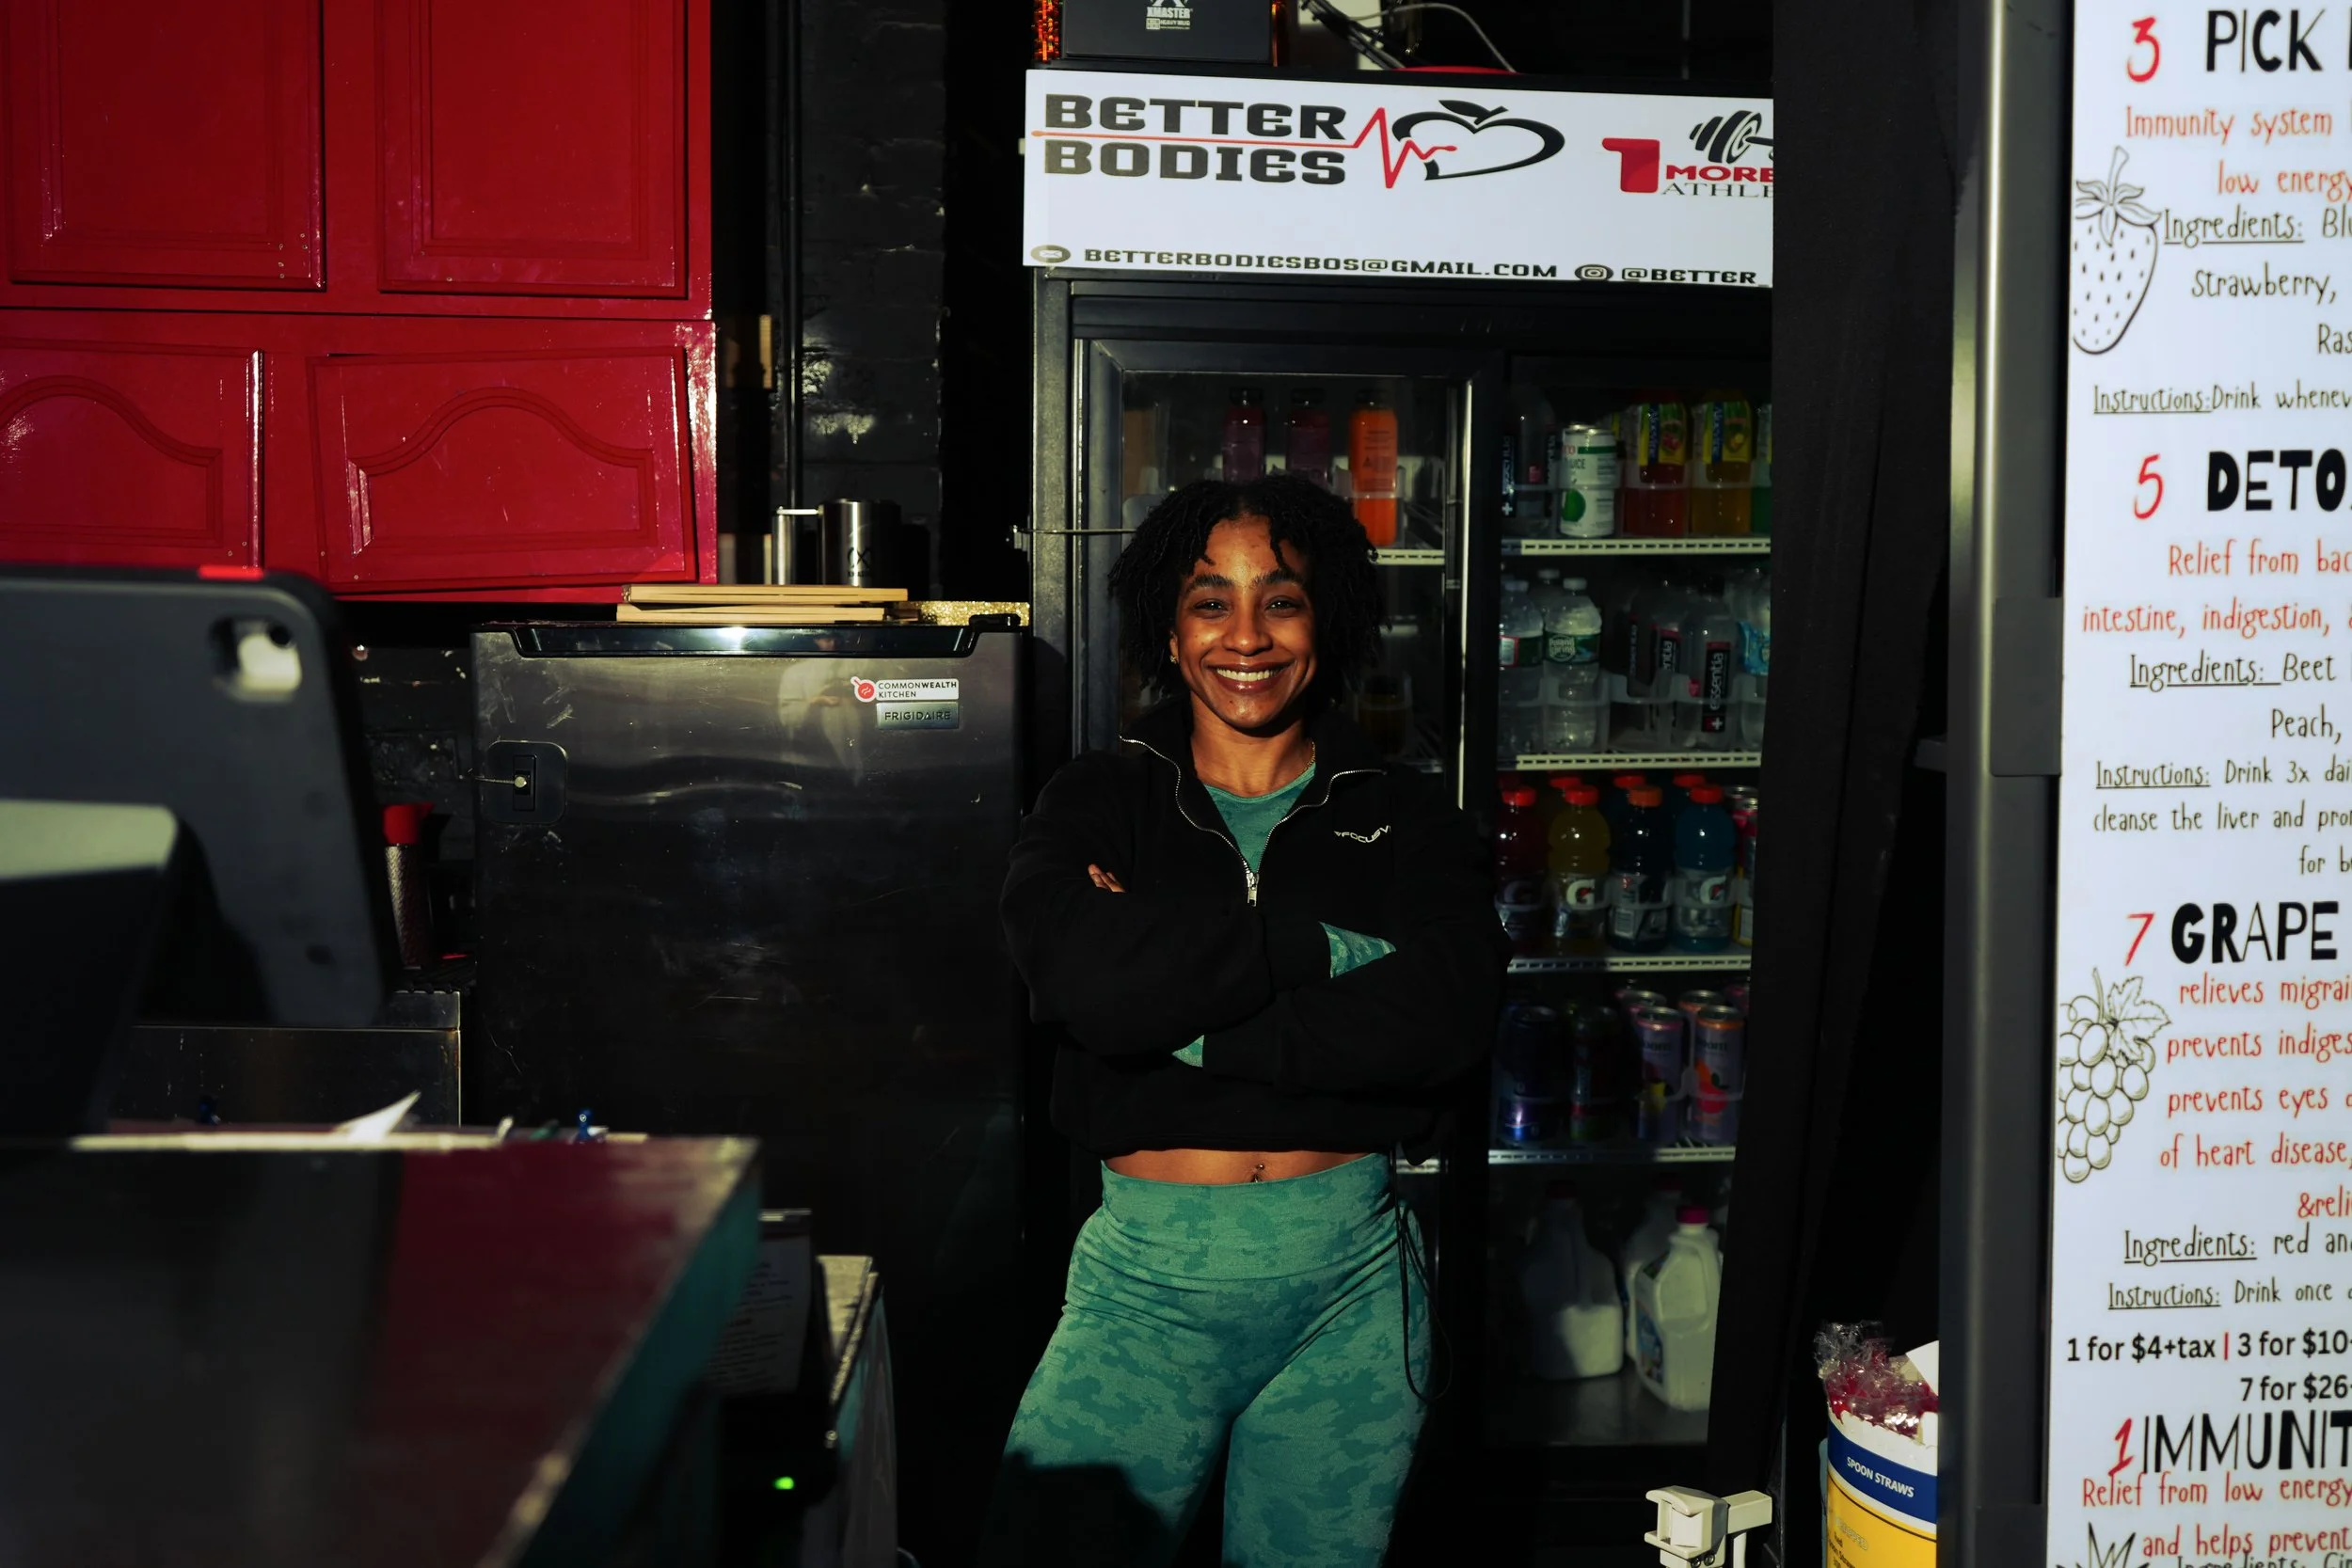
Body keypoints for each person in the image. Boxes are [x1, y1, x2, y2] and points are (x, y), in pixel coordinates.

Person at [981, 472, 1506, 1567]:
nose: (1246, 635)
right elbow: (1077, 977)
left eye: (1282, 599)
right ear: (1169, 637)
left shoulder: (1403, 812)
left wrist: (1179, 1012)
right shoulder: (1099, 796)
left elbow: (1444, 1017)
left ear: (1328, 623)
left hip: (1356, 1288)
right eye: (1209, 601)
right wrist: (1315, 948)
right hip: (1145, 1287)